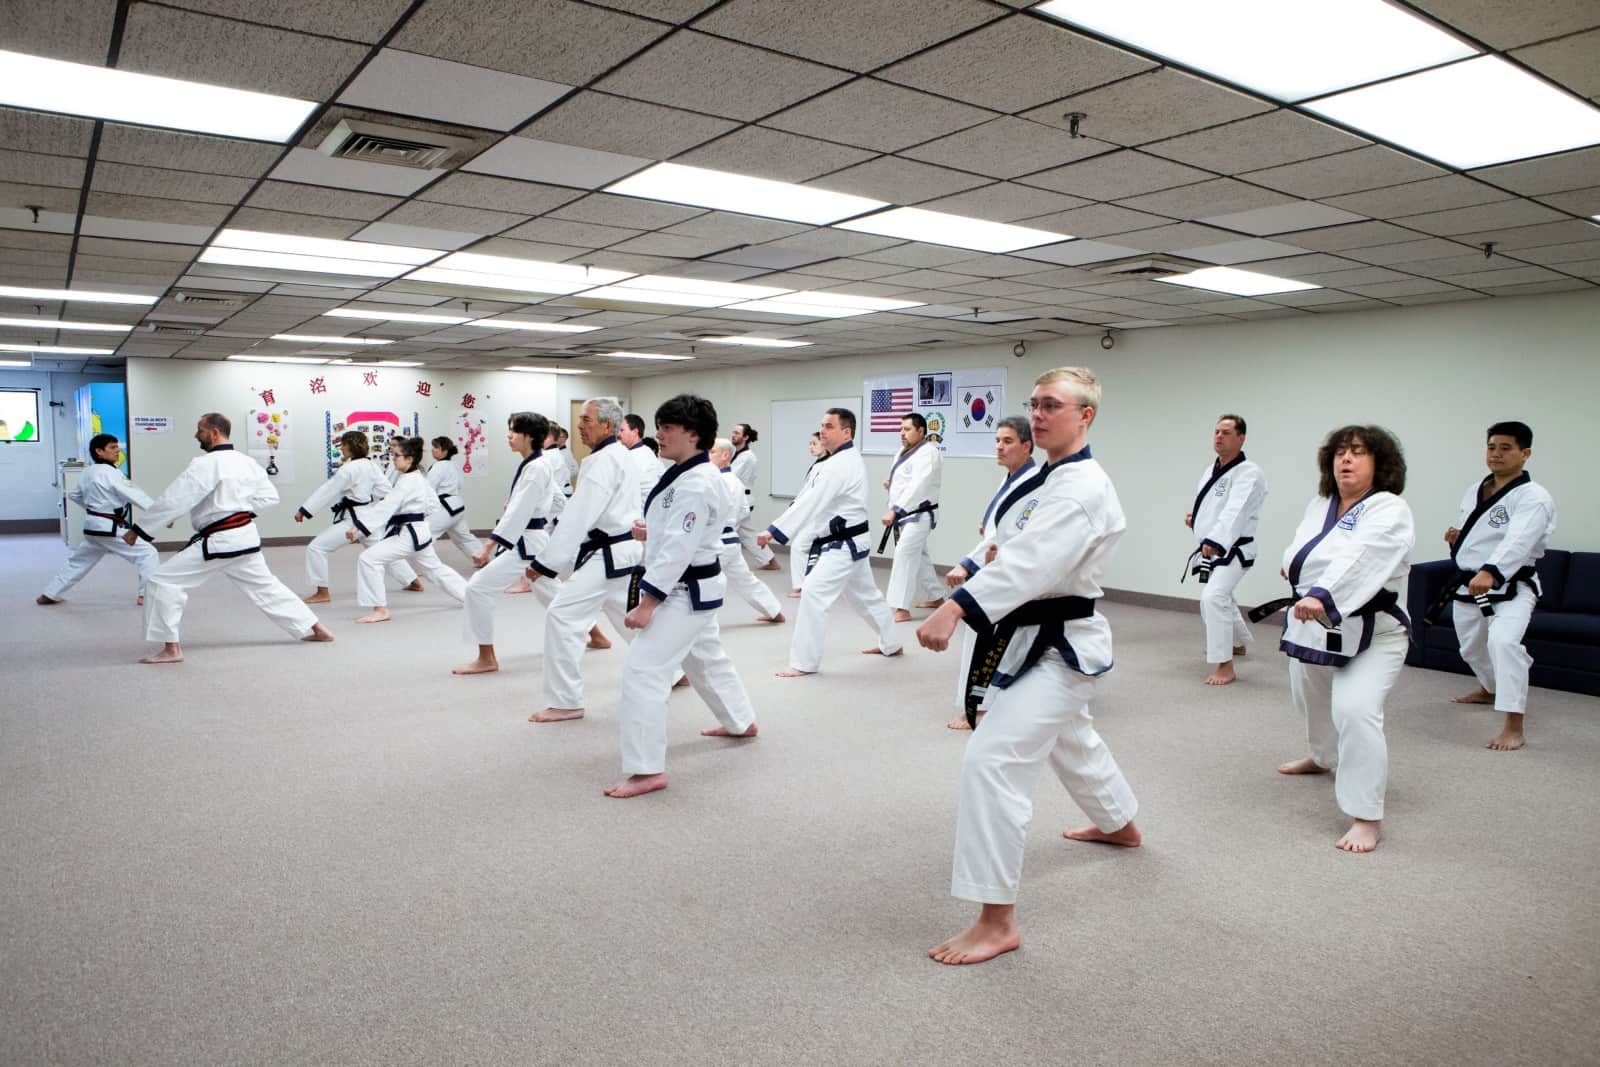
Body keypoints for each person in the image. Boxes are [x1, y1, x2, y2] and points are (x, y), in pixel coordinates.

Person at [915, 368, 1140, 966]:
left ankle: (996, 921)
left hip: (1062, 643)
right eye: (1034, 404)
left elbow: (1033, 564)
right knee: (1071, 736)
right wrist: (977, 564)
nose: (1038, 415)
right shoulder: (1045, 477)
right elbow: (1008, 543)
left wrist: (955, 608)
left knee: (991, 760)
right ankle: (1119, 823)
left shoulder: (1081, 488)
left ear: (1086, 415)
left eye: (1052, 405)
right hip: (1029, 636)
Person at [605, 396, 760, 798]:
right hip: (694, 588)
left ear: (693, 434)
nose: (659, 434)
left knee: (643, 669)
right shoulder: (685, 473)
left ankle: (646, 770)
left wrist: (648, 604)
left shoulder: (697, 482)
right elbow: (682, 533)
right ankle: (740, 721)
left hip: (682, 592)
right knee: (706, 659)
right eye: (659, 426)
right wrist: (652, 531)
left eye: (667, 427)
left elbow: (679, 549)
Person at [1277, 425, 1414, 854]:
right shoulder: (1320, 505)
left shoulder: (1390, 509)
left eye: (1357, 452)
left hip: (1377, 634)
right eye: (1339, 452)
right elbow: (1301, 551)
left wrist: (1322, 592)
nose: (1346, 459)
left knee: (1354, 709)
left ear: (1380, 463)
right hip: (1319, 626)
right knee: (1309, 695)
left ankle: (1366, 816)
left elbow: (1362, 558)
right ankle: (1323, 757)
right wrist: (1297, 571)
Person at [132, 413, 333, 663]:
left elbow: (175, 498)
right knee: (267, 587)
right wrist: (238, 512)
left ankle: (171, 649)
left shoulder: (206, 463)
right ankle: (318, 629)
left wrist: (139, 530)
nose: (196, 435)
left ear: (215, 433)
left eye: (200, 430)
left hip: (220, 542)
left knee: (161, 581)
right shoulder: (247, 462)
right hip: (245, 538)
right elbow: (270, 497)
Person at [757, 408, 901, 677]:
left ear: (846, 432)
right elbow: (806, 498)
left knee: (813, 593)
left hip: (844, 544)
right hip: (849, 540)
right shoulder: (833, 461)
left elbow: (812, 502)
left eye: (829, 426)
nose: (822, 430)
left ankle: (804, 662)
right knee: (866, 596)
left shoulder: (840, 464)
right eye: (821, 425)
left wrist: (775, 530)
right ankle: (892, 643)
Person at [525, 397, 644, 721]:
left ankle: (565, 701)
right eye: (579, 419)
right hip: (622, 552)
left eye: (586, 420)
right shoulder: (619, 454)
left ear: (607, 425)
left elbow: (578, 516)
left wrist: (544, 563)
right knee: (627, 616)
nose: (579, 426)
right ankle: (673, 670)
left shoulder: (603, 460)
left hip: (609, 554)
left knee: (562, 616)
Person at [1443, 421, 1556, 751]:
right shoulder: (1475, 488)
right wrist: (1458, 541)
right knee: (1471, 649)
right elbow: (1478, 532)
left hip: (1512, 586)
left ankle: (1513, 725)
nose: (1496, 454)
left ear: (1525, 453)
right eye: (1491, 447)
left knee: (1503, 644)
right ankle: (1490, 688)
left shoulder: (1534, 497)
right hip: (1471, 583)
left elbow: (1518, 541)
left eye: (1506, 448)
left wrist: (1491, 571)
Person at [941, 415, 1036, 730]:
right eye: (997, 441)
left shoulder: (1031, 483)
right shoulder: (1012, 478)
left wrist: (967, 563)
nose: (999, 447)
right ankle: (984, 703)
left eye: (1007, 441)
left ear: (1027, 446)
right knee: (1000, 638)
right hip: (997, 564)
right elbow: (998, 529)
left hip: (1008, 568)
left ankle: (980, 707)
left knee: (986, 635)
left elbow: (1006, 535)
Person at [453, 412, 557, 675]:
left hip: (527, 543)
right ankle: (596, 633)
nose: (508, 436)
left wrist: (487, 546)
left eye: (513, 431)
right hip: (533, 542)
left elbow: (518, 514)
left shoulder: (536, 467)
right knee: (552, 592)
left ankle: (486, 658)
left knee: (477, 588)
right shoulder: (535, 464)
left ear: (529, 436)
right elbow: (553, 501)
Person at [1185, 415, 1268, 686]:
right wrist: (1196, 519)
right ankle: (1238, 643)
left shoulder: (1249, 473)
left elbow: (1235, 511)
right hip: (1215, 547)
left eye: (1226, 432)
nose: (1219, 436)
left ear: (1241, 438)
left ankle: (1225, 665)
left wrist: (1216, 540)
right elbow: (1211, 506)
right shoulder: (1211, 470)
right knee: (1224, 597)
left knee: (1213, 597)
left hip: (1235, 548)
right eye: (1217, 431)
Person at [349, 436, 467, 623]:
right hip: (419, 532)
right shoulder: (418, 478)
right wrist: (416, 515)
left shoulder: (407, 481)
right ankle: (470, 595)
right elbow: (433, 504)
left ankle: (380, 609)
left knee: (368, 559)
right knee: (434, 569)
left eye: (397, 455)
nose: (393, 459)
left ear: (409, 459)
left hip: (409, 535)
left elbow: (387, 506)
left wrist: (359, 526)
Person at [295, 430, 421, 604]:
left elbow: (328, 490)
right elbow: (385, 490)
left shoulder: (348, 469)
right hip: (369, 518)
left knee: (316, 548)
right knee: (381, 551)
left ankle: (322, 592)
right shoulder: (371, 465)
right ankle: (413, 581)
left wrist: (305, 510)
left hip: (354, 521)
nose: (341, 448)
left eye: (343, 445)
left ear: (351, 446)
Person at [38, 434, 160, 607]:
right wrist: (161, 513)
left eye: (117, 447)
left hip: (93, 527)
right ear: (99, 451)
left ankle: (50, 593)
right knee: (148, 554)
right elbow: (135, 495)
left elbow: (74, 495)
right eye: (112, 447)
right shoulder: (110, 473)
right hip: (109, 528)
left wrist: (95, 510)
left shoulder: (88, 471)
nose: (117, 451)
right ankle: (146, 595)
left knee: (78, 562)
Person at [709, 437, 784, 623]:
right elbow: (743, 511)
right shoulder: (735, 481)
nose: (707, 455)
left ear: (725, 455)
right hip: (731, 541)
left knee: (704, 581)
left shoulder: (718, 480)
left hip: (717, 542)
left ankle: (699, 623)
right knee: (746, 581)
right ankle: (774, 611)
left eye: (712, 452)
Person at [880, 412, 944, 622]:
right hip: (906, 514)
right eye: (901, 429)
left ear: (920, 431)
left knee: (904, 554)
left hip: (919, 514)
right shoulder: (903, 451)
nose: (902, 433)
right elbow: (906, 479)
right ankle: (936, 597)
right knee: (920, 557)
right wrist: (891, 484)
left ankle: (901, 608)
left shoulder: (929, 452)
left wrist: (895, 509)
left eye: (907, 429)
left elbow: (919, 484)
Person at [425, 435, 484, 564]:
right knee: (464, 537)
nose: (433, 450)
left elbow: (428, 489)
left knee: (424, 535)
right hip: (457, 506)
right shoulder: (455, 465)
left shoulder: (438, 466)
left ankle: (423, 566)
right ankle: (482, 558)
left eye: (436, 447)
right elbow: (460, 485)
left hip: (445, 508)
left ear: (445, 450)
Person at [731, 423, 779, 571]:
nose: (733, 435)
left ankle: (720, 564)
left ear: (745, 437)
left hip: (741, 501)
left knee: (725, 531)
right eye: (733, 432)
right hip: (739, 499)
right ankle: (771, 561)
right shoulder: (736, 454)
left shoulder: (747, 457)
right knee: (748, 534)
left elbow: (730, 475)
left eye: (737, 433)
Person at [787, 432, 827, 598]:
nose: (811, 447)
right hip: (812, 513)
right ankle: (806, 585)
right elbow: (807, 489)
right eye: (810, 444)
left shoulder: (827, 466)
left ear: (825, 444)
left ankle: (801, 587)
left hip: (821, 516)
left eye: (814, 443)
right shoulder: (817, 465)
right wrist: (796, 503)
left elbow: (816, 493)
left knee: (799, 546)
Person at [619, 413, 662, 509]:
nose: (618, 434)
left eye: (622, 430)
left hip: (639, 512)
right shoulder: (646, 451)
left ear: (635, 432)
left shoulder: (634, 457)